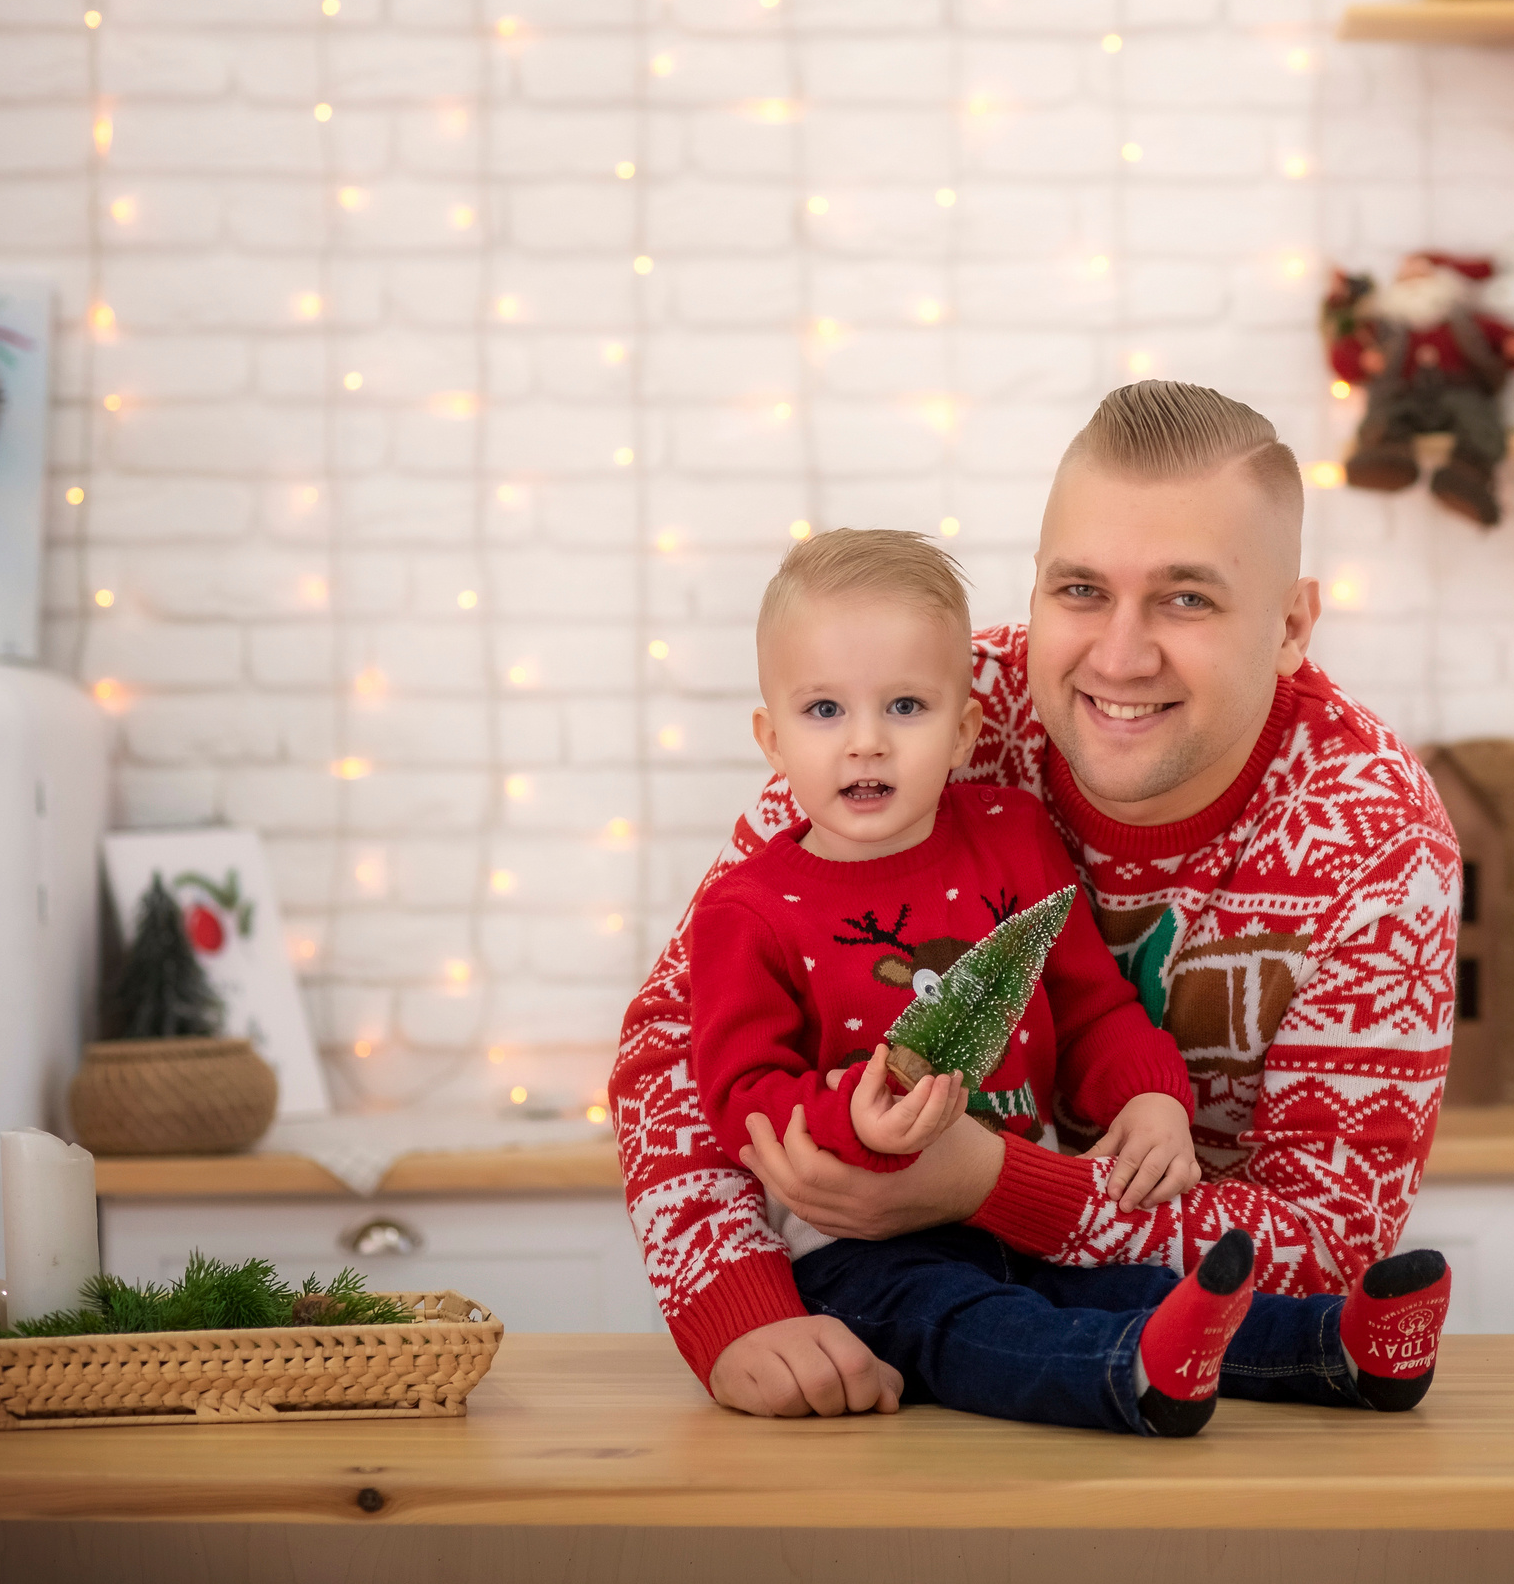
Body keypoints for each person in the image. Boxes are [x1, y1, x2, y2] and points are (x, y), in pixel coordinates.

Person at [609, 379, 1463, 1421]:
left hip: (1194, 1356)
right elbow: (671, 1046)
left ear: (1290, 625)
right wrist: (734, 1309)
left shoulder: (1376, 838)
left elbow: (1331, 1236)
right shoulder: (926, 709)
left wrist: (989, 1184)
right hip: (885, 1301)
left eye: (1185, 597)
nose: (1118, 654)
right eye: (1080, 590)